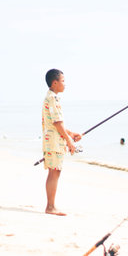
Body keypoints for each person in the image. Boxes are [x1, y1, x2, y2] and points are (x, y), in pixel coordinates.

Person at [42, 69, 82, 216]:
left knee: (55, 171)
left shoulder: (51, 97)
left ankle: (51, 206)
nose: (65, 84)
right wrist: (69, 142)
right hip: (53, 142)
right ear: (55, 83)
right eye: (63, 81)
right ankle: (50, 207)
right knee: (54, 172)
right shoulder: (53, 98)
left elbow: (57, 124)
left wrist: (71, 134)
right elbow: (58, 124)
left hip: (53, 140)